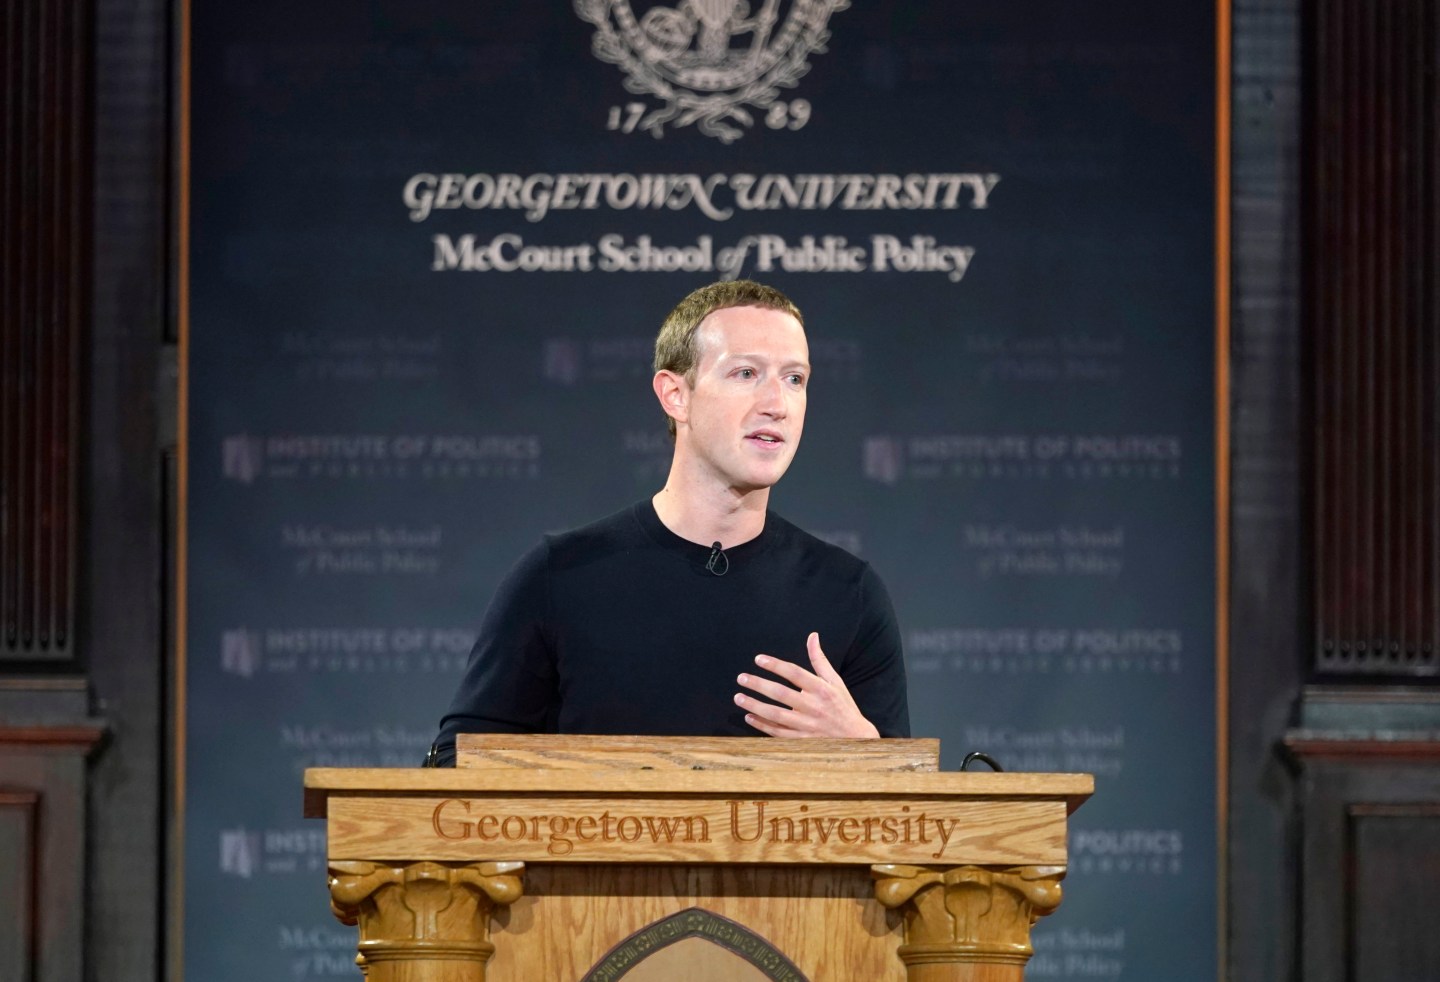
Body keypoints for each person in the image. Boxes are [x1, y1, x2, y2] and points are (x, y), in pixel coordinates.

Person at [430, 280, 908, 764]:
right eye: (746, 373)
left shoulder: (850, 592)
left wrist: (862, 752)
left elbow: (910, 819)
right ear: (675, 394)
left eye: (794, 379)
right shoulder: (560, 577)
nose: (777, 404)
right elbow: (457, 765)